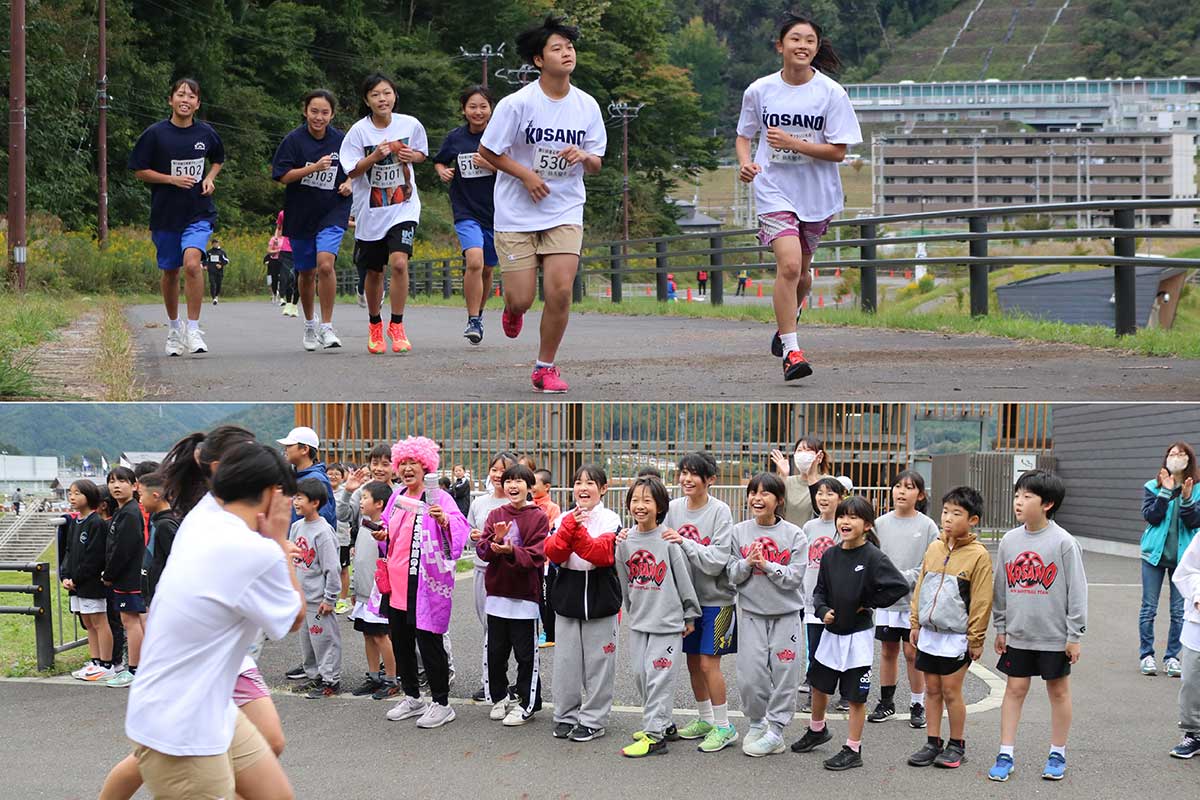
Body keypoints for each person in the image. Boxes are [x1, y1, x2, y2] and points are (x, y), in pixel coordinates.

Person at [120, 442, 304, 800]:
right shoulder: (256, 551)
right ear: (273, 493)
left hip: (203, 704)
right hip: (182, 729)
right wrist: (280, 543)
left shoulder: (203, 516)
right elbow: (294, 617)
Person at [478, 15, 607, 394]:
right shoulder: (517, 104)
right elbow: (487, 150)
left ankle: (544, 367)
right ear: (538, 60)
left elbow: (597, 163)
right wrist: (527, 175)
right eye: (557, 48)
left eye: (570, 47)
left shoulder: (587, 105)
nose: (567, 53)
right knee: (522, 298)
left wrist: (584, 156)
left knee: (561, 291)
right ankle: (512, 309)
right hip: (516, 212)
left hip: (564, 208)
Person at [736, 14, 862, 381]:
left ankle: (788, 319)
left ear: (817, 48)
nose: (802, 45)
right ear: (780, 46)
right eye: (795, 39)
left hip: (816, 193)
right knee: (789, 267)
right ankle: (792, 353)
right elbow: (744, 135)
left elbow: (838, 152)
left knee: (802, 275)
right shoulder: (759, 90)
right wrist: (745, 164)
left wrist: (794, 143)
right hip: (773, 188)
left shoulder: (831, 93)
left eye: (809, 40)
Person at [790, 495, 907, 771]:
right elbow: (819, 591)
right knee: (819, 685)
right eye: (842, 516)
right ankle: (817, 729)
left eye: (853, 517)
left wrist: (868, 603)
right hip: (831, 633)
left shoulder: (873, 557)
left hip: (858, 638)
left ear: (867, 525)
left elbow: (899, 586)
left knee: (855, 696)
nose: (845, 521)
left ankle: (853, 748)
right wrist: (822, 610)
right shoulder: (830, 555)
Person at [988, 469, 1087, 782]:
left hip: (1054, 637)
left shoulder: (1064, 543)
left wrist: (1074, 635)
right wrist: (1001, 627)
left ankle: (1058, 752)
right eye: (1017, 495)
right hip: (1018, 634)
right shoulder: (1009, 541)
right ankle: (1005, 753)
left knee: (1058, 692)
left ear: (1047, 503)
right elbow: (1001, 588)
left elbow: (1077, 591)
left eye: (1027, 496)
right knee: (1014, 689)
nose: (1018, 501)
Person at [128, 77, 224, 356]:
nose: (185, 100)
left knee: (192, 264)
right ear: (170, 100)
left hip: (198, 212)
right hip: (166, 214)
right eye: (180, 95)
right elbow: (139, 170)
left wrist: (210, 178)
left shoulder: (206, 133)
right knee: (170, 271)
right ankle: (173, 329)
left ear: (198, 103)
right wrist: (170, 179)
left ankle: (193, 329)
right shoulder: (155, 134)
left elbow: (218, 158)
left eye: (191, 96)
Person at [380, 437, 469, 729]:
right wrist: (380, 533)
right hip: (396, 581)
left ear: (426, 466)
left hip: (425, 583)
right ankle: (412, 697)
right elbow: (387, 527)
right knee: (401, 642)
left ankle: (442, 703)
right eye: (403, 463)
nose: (407, 469)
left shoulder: (439, 497)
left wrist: (444, 521)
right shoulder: (397, 496)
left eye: (413, 463)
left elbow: (460, 529)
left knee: (429, 643)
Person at [340, 72, 428, 355]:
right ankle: (375, 323)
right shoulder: (358, 132)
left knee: (399, 263)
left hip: (404, 206)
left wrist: (412, 156)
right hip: (371, 211)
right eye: (375, 94)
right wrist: (374, 157)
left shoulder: (410, 124)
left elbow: (422, 154)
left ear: (395, 96)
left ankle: (397, 325)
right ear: (367, 100)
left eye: (387, 93)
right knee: (374, 271)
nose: (382, 99)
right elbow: (352, 170)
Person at [906, 486, 993, 770]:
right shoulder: (934, 548)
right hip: (929, 633)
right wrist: (915, 622)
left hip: (956, 637)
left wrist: (976, 639)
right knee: (932, 689)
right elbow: (920, 587)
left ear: (973, 520)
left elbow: (981, 600)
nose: (948, 518)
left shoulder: (978, 555)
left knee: (951, 691)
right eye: (945, 512)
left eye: (956, 513)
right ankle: (933, 742)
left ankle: (957, 744)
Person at [615, 475, 700, 757]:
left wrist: (689, 615)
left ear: (660, 506)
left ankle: (654, 736)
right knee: (641, 676)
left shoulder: (668, 541)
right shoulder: (624, 542)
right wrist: (632, 611)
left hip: (667, 623)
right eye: (635, 500)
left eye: (647, 501)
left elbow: (684, 580)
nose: (640, 506)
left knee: (658, 678)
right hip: (640, 621)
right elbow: (625, 581)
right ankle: (664, 723)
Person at [726, 472, 808, 757]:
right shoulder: (738, 532)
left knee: (785, 674)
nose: (757, 499)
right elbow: (731, 574)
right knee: (751, 676)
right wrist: (747, 563)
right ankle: (757, 722)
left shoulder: (795, 535)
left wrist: (768, 565)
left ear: (779, 500)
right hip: (751, 614)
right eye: (753, 492)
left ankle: (776, 731)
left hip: (786, 616)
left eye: (765, 493)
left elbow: (795, 578)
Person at [665, 451, 739, 753]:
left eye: (693, 473)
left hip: (718, 600)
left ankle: (724, 726)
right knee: (693, 663)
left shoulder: (721, 511)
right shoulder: (672, 508)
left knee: (709, 664)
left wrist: (684, 541)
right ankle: (706, 719)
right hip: (688, 602)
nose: (686, 479)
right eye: (683, 472)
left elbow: (716, 561)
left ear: (710, 480)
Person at [543, 463, 623, 742]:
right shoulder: (563, 518)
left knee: (600, 663)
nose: (583, 488)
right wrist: (569, 526)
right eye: (578, 482)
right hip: (567, 596)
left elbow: (599, 554)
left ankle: (593, 720)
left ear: (603, 489)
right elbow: (553, 553)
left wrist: (571, 530)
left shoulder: (611, 519)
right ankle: (565, 715)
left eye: (590, 483)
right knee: (566, 663)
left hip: (601, 598)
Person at [272, 89, 353, 351]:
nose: (319, 117)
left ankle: (327, 326)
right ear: (305, 111)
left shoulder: (342, 140)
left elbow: (357, 168)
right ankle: (309, 324)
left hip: (333, 210)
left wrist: (350, 182)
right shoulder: (293, 140)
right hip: (301, 214)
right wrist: (313, 168)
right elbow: (282, 176)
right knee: (306, 273)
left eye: (324, 112)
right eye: (314, 111)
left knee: (326, 264)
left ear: (332, 115)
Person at [479, 463, 549, 726]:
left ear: (529, 487)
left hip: (524, 598)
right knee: (495, 653)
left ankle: (527, 703)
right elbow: (483, 550)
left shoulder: (538, 517)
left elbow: (537, 554)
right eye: (508, 480)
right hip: (496, 595)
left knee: (526, 655)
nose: (512, 485)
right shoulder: (496, 514)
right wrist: (495, 542)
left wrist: (510, 550)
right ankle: (499, 697)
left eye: (519, 481)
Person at [870, 470, 940, 728]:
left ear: (920, 495)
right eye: (898, 486)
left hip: (914, 601)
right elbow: (872, 558)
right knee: (888, 651)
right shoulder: (880, 524)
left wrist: (903, 577)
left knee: (912, 652)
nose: (901, 491)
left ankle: (917, 703)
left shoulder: (928, 526)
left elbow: (930, 563)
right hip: (887, 600)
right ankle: (886, 702)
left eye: (909, 487)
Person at [433, 85, 499, 345]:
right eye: (472, 106)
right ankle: (472, 320)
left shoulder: (500, 136)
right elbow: (439, 160)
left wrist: (491, 165)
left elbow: (516, 169)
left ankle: (479, 315)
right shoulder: (455, 138)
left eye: (483, 106)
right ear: (463, 110)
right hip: (465, 209)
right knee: (474, 261)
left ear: (491, 109)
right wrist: (442, 170)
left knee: (487, 268)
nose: (478, 111)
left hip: (496, 212)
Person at [1140, 441, 1200, 677]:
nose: (1175, 457)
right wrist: (1165, 492)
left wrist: (1187, 498)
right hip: (1153, 556)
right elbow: (1151, 517)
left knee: (1178, 611)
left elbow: (1194, 522)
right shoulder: (1152, 486)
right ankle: (1146, 655)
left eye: (1180, 453)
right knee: (1148, 608)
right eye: (1172, 453)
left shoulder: (1197, 488)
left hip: (1183, 559)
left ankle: (1172, 657)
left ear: (1189, 459)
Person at [467, 451, 519, 701]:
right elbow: (468, 535)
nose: (499, 475)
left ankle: (518, 682)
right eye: (494, 470)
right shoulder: (479, 503)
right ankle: (490, 681)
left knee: (515, 630)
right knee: (489, 628)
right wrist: (473, 536)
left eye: (504, 470)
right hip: (482, 570)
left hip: (510, 573)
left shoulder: (519, 503)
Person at [285, 477, 342, 698]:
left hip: (319, 600)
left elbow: (332, 568)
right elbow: (292, 561)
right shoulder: (297, 527)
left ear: (315, 502)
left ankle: (330, 680)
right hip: (303, 597)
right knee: (307, 641)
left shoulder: (323, 532)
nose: (295, 502)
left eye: (300, 498)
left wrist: (330, 598)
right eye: (295, 497)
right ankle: (314, 676)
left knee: (324, 640)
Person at [347, 480, 399, 700]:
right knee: (368, 634)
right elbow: (358, 560)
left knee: (380, 636)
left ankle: (392, 679)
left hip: (378, 594)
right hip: (363, 592)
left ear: (379, 503)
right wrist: (354, 588)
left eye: (365, 497)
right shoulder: (363, 525)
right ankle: (374, 676)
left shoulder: (387, 530)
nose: (361, 502)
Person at [801, 477, 847, 711]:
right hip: (812, 601)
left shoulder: (845, 526)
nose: (823, 498)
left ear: (841, 497)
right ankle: (815, 694)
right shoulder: (809, 527)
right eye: (820, 493)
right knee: (815, 650)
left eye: (830, 493)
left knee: (841, 648)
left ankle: (846, 694)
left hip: (839, 600)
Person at [62, 479, 114, 682]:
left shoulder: (96, 522)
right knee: (88, 622)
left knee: (99, 621)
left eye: (77, 493)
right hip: (76, 583)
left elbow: (94, 557)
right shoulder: (76, 521)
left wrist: (76, 578)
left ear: (89, 496)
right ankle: (95, 661)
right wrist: (65, 576)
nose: (72, 497)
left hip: (91, 582)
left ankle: (107, 664)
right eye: (70, 493)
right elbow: (69, 551)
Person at [101, 467, 147, 689]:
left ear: (134, 485)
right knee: (131, 621)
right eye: (112, 481)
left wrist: (109, 574)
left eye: (122, 481)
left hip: (129, 577)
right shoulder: (123, 511)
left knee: (131, 622)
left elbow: (123, 549)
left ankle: (135, 670)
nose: (116, 485)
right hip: (126, 576)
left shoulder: (129, 512)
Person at [1170, 524, 1200, 758]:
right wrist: (1198, 595)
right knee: (1192, 680)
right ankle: (1194, 733)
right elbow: (1186, 572)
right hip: (1197, 623)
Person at [278, 426, 337, 532]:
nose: (285, 449)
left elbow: (322, 519)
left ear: (305, 449)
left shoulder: (317, 480)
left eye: (289, 445)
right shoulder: (293, 477)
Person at [771, 435, 832, 529]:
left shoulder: (830, 482)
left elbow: (822, 511)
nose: (803, 454)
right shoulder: (788, 481)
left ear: (820, 457)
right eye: (799, 450)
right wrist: (782, 476)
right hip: (791, 535)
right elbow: (774, 507)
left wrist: (811, 478)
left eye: (808, 450)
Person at [137, 471, 179, 608]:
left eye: (141, 495)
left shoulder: (165, 525)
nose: (140, 500)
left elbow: (175, 561)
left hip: (165, 597)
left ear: (155, 496)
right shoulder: (157, 521)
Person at [533, 468, 562, 648]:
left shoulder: (552, 508)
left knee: (546, 598)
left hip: (546, 561)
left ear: (547, 486)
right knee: (536, 598)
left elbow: (551, 532)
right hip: (531, 561)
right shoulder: (528, 505)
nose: (531, 486)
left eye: (535, 483)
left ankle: (548, 631)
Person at [327, 464, 353, 615]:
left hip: (342, 537)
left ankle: (342, 600)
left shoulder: (346, 493)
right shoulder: (322, 491)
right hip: (326, 537)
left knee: (343, 569)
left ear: (343, 477)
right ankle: (327, 598)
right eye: (330, 473)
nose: (333, 476)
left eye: (337, 474)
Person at [274, 211, 300, 316]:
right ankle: (288, 304)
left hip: (300, 249)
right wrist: (276, 238)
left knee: (298, 279)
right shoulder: (283, 213)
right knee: (288, 277)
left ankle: (294, 305)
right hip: (286, 251)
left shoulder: (306, 211)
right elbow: (279, 228)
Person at [204, 237, 229, 305]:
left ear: (218, 243)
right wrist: (205, 266)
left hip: (219, 271)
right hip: (211, 271)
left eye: (216, 243)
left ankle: (216, 295)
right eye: (214, 243)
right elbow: (205, 260)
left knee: (218, 284)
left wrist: (221, 265)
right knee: (212, 284)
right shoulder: (209, 252)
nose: (215, 244)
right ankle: (214, 298)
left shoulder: (222, 252)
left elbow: (227, 260)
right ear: (212, 244)